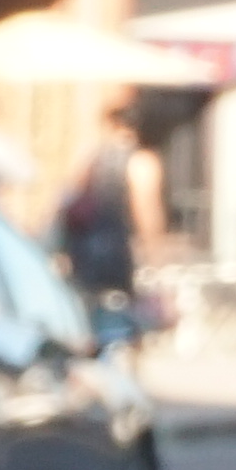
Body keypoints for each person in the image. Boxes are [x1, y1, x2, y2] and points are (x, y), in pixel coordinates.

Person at [50, 98, 167, 323]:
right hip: (121, 252)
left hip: (85, 249)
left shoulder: (91, 159)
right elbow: (146, 211)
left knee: (91, 311)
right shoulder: (141, 162)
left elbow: (68, 200)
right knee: (130, 317)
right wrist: (155, 256)